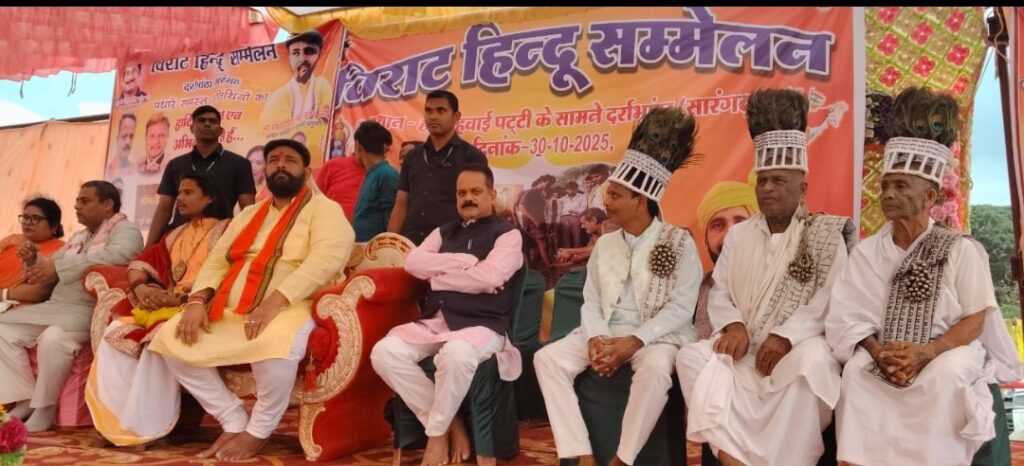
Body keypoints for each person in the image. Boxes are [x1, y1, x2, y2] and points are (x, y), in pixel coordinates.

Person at [825, 87, 1023, 466]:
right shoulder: (866, 252)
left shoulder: (962, 250)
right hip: (885, 352)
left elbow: (976, 318)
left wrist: (928, 352)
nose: (888, 194)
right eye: (885, 185)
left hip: (944, 351)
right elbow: (848, 317)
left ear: (930, 198)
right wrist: (879, 353)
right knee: (857, 375)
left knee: (946, 376)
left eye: (901, 186)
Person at [676, 88, 855, 466]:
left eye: (778, 180)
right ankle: (731, 458)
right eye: (762, 180)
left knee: (814, 363)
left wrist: (786, 336)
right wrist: (734, 325)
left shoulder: (824, 234)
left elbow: (831, 299)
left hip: (794, 350)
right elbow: (720, 291)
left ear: (802, 188)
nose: (768, 188)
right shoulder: (740, 235)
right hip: (745, 351)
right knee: (692, 357)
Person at [146, 139, 352, 461]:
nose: (280, 165)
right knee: (171, 338)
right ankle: (232, 417)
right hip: (234, 306)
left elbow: (325, 261)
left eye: (290, 160)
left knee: (272, 345)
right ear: (265, 170)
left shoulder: (324, 210)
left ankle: (259, 431)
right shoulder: (250, 214)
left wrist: (275, 302)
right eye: (273, 160)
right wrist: (197, 302)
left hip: (293, 306)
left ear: (307, 171)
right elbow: (218, 261)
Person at [534, 108, 703, 466]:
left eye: (614, 195)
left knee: (656, 371)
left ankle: (623, 458)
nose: (605, 202)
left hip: (656, 338)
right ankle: (579, 451)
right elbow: (591, 301)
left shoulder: (679, 241)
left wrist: (634, 341)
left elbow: (681, 307)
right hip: (605, 333)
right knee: (546, 358)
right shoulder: (605, 244)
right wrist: (596, 338)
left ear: (640, 200)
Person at [371, 164, 524, 466]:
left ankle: (436, 434)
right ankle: (448, 424)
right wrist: (465, 261)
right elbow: (414, 263)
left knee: (456, 354)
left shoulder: (508, 235)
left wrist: (439, 278)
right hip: (437, 322)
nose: (468, 198)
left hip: (483, 326)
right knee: (383, 353)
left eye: (476, 191)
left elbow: (490, 278)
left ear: (492, 195)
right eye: (461, 193)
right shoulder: (443, 232)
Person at [86, 171, 231, 446]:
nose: (179, 198)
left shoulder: (229, 229)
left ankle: (147, 428)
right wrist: (141, 288)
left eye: (188, 192)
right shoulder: (174, 235)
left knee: (158, 338)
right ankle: (116, 424)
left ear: (209, 197)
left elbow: (232, 273)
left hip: (204, 305)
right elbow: (138, 264)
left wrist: (187, 299)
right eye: (179, 192)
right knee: (115, 332)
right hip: (169, 304)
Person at [0, 181, 143, 432]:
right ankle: (24, 399)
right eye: (77, 201)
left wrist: (56, 267)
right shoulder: (79, 237)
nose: (77, 206)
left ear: (108, 204)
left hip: (87, 309)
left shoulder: (126, 231)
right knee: (3, 329)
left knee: (53, 339)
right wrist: (33, 259)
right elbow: (48, 269)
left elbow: (118, 255)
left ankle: (45, 408)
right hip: (56, 307)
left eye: (85, 201)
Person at [146, 105, 256, 248]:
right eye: (201, 120)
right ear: (192, 128)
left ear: (220, 130)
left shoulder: (239, 164)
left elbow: (248, 210)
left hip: (220, 238)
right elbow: (164, 210)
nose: (207, 124)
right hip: (178, 237)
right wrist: (148, 249)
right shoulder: (176, 165)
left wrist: (249, 245)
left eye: (213, 121)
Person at [388, 90, 488, 245]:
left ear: (456, 117)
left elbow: (478, 207)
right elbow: (401, 204)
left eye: (441, 110)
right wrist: (389, 242)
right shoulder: (412, 156)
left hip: (452, 244)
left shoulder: (471, 157)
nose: (433, 116)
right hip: (411, 244)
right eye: (429, 111)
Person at [692, 179, 759, 340]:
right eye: (717, 225)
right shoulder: (691, 291)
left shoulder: (782, 280)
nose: (730, 234)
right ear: (706, 241)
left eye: (740, 222)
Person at [260, 30, 333, 134]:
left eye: (309, 52)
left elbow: (326, 122)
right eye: (296, 53)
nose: (302, 59)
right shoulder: (277, 96)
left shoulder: (322, 85)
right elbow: (265, 132)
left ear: (319, 56)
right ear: (290, 59)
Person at [0, 198, 66, 307]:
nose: (27, 222)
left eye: (35, 218)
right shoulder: (13, 239)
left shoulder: (61, 250)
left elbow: (41, 292)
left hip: (18, 305)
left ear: (53, 225)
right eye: (25, 217)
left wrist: (4, 293)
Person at [351, 121, 399, 242]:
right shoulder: (373, 174)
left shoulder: (387, 174)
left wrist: (386, 247)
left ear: (358, 146)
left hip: (377, 249)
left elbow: (391, 217)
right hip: (362, 247)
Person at [316, 147, 366, 221]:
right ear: (358, 147)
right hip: (329, 224)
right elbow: (314, 199)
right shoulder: (332, 166)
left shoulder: (382, 174)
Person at [107, 114, 137, 179]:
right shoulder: (108, 171)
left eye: (131, 136)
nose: (128, 142)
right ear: (117, 139)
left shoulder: (135, 170)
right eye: (124, 136)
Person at [558, 181, 586, 248]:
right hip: (564, 217)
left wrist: (576, 211)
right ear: (566, 189)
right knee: (565, 236)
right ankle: (566, 250)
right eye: (569, 189)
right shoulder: (563, 199)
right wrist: (560, 218)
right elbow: (559, 209)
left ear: (576, 189)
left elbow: (584, 207)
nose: (570, 191)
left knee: (576, 235)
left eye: (573, 189)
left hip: (575, 217)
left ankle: (576, 250)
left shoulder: (581, 197)